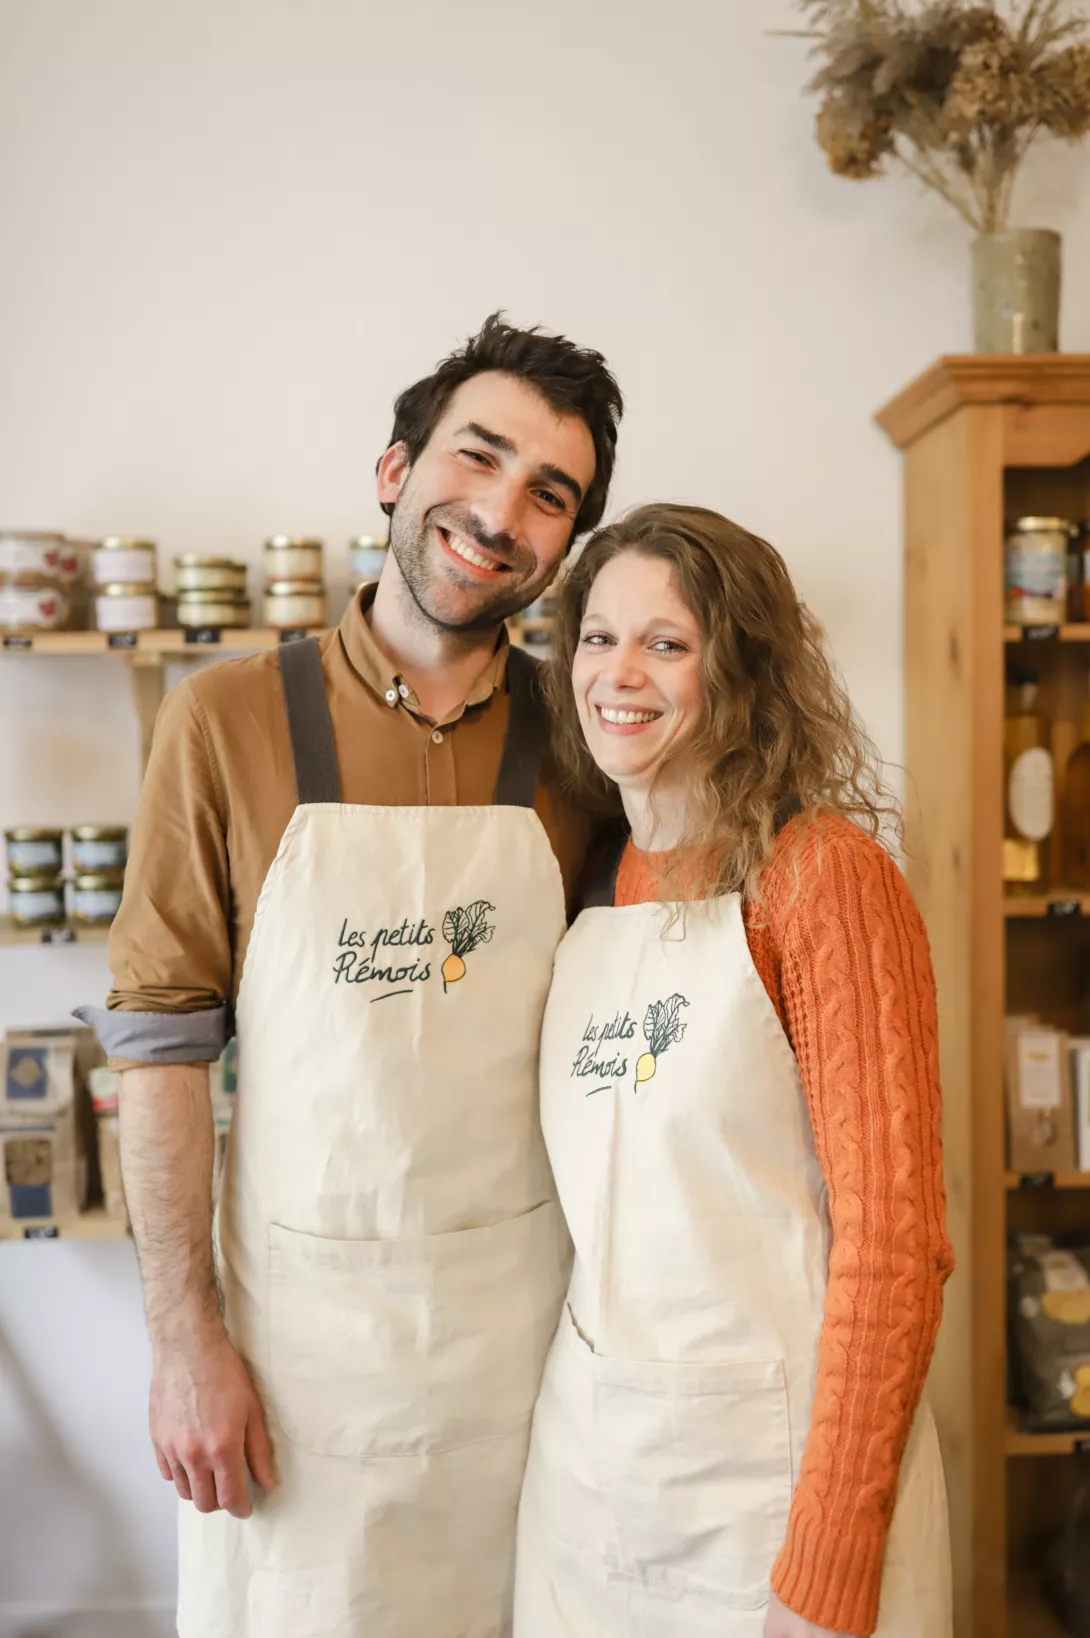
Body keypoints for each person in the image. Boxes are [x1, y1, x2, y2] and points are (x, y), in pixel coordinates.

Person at [75, 314, 623, 1638]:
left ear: (566, 547)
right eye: (475, 456)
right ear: (393, 467)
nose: (497, 513)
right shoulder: (224, 720)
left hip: (525, 1350)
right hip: (294, 1369)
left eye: (547, 494)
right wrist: (182, 1343)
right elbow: (158, 1049)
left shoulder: (586, 736)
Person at [513, 503, 955, 1638]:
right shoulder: (589, 890)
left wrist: (830, 1562)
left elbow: (896, 1245)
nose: (620, 673)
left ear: (743, 669)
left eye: (667, 643)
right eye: (598, 637)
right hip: (593, 1490)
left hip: (773, 1500)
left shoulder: (823, 883)